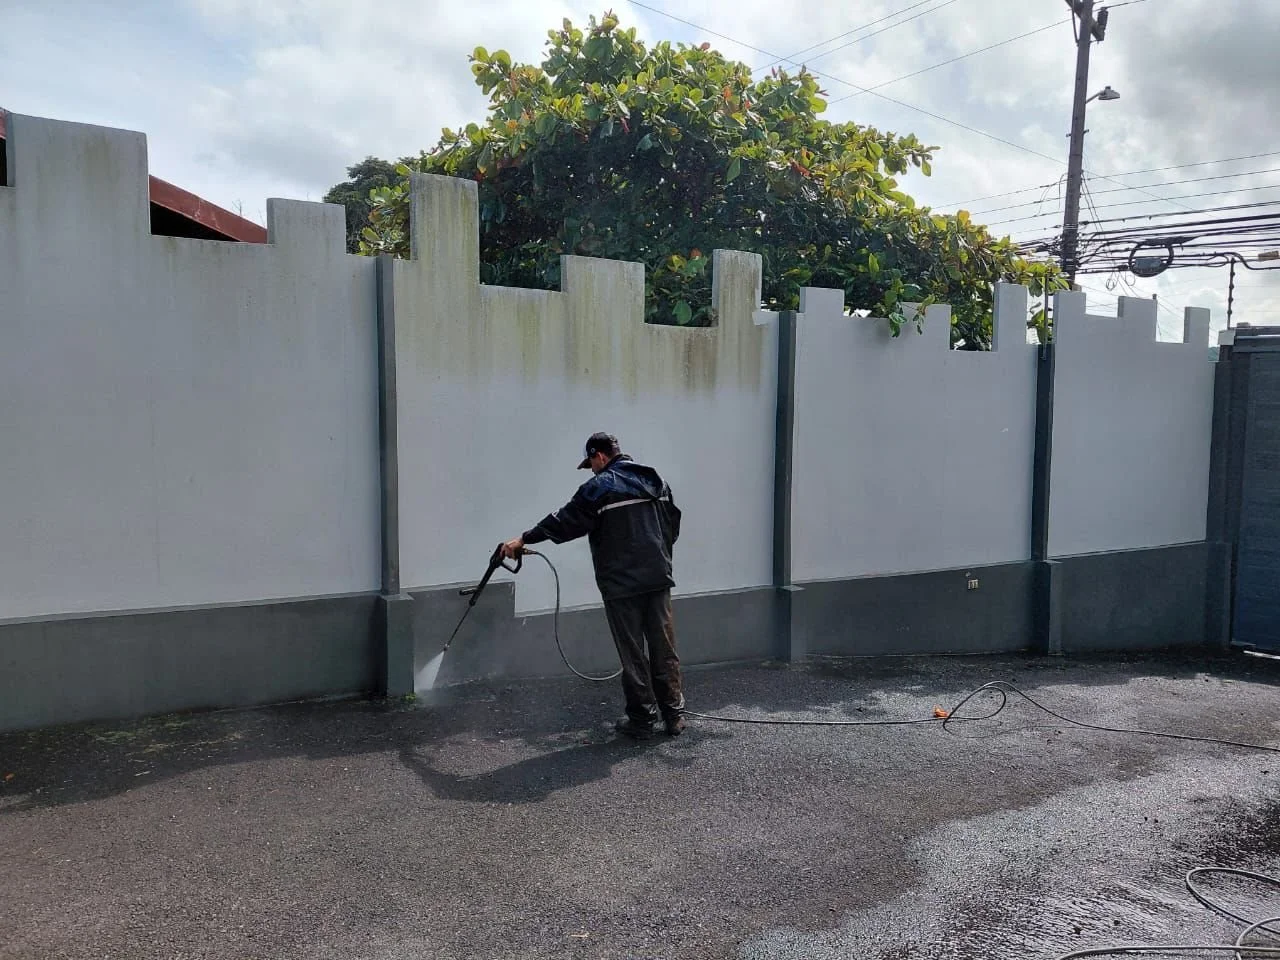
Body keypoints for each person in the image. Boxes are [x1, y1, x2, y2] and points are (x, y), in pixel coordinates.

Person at [502, 432, 686, 739]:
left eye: (590, 464)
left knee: (633, 652)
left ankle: (641, 718)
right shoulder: (656, 480)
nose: (591, 469)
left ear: (598, 456)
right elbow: (672, 525)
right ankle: (673, 715)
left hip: (621, 584)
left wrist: (523, 539)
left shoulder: (600, 486)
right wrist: (660, 559)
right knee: (664, 647)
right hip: (657, 577)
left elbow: (563, 519)